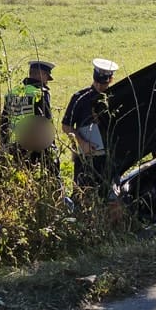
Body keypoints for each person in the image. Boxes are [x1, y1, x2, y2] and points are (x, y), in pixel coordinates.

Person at [62, 58, 119, 204]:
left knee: (110, 197)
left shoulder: (115, 98)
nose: (99, 86)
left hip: (109, 158)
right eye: (97, 82)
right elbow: (66, 126)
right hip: (86, 157)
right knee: (82, 196)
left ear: (111, 80)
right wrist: (82, 142)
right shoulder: (80, 98)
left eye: (104, 83)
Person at [0, 60, 59, 176]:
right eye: (46, 77)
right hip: (34, 146)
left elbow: (3, 122)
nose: (46, 82)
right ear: (40, 74)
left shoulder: (13, 92)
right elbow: (45, 123)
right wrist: (51, 149)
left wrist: (5, 145)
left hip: (14, 145)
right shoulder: (40, 93)